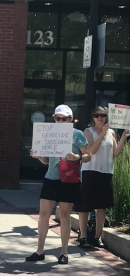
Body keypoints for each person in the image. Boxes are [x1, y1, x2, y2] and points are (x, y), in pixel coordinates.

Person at [26, 104, 90, 265]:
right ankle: (40, 251)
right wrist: (38, 156)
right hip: (51, 177)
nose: (60, 121)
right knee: (43, 214)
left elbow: (88, 155)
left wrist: (76, 156)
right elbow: (47, 160)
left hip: (68, 179)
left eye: (64, 118)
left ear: (70, 120)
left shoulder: (77, 134)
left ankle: (64, 252)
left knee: (64, 215)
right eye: (57, 118)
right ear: (54, 119)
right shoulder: (49, 133)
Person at [75, 106, 130, 248]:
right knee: (85, 206)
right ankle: (83, 236)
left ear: (106, 116)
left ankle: (97, 237)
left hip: (106, 172)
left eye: (103, 115)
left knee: (102, 206)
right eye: (97, 115)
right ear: (93, 117)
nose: (100, 117)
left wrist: (124, 136)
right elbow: (91, 150)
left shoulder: (111, 132)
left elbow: (116, 153)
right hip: (90, 171)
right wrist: (101, 134)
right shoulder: (88, 131)